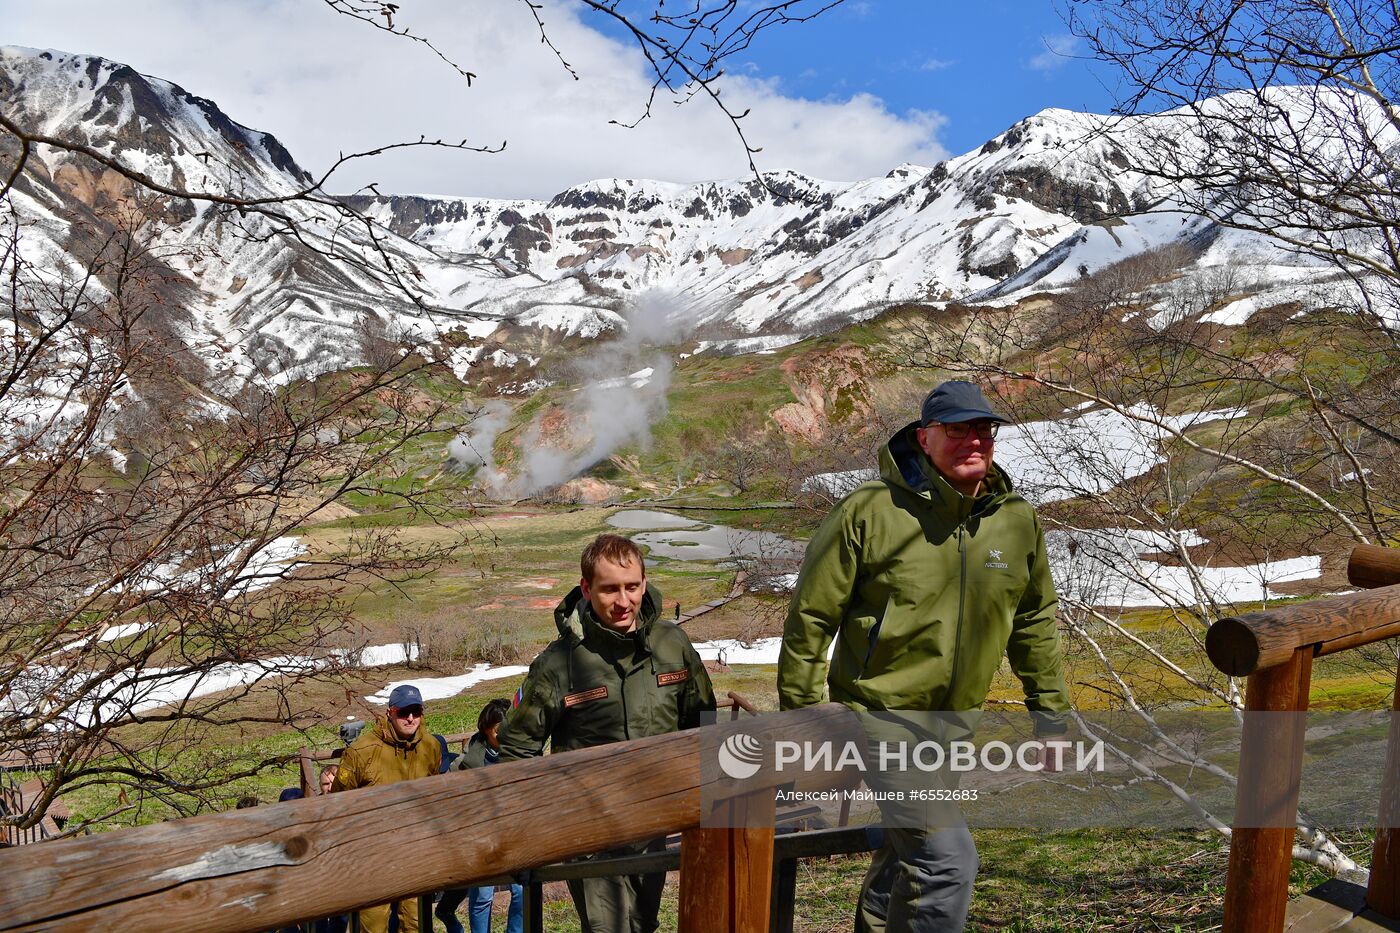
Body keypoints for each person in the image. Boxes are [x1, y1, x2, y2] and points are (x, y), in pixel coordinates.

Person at [778, 380, 1070, 933]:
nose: (974, 441)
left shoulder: (1014, 519)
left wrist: (1050, 718)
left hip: (952, 730)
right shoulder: (870, 511)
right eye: (957, 429)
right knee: (946, 863)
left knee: (902, 863)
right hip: (879, 722)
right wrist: (807, 724)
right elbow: (812, 620)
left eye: (983, 430)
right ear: (923, 437)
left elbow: (1033, 620)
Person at [497, 533, 717, 933]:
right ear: (586, 588)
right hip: (589, 833)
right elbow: (517, 748)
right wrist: (533, 828)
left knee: (643, 924)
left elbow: (702, 725)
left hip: (654, 822)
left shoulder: (673, 645)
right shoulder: (558, 663)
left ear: (645, 583)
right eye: (609, 589)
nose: (623, 601)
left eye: (632, 587)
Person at [331, 684, 441, 933]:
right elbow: (338, 802)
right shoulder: (361, 752)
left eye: (416, 711)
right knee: (373, 926)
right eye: (404, 712)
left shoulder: (431, 747)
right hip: (374, 853)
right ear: (389, 712)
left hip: (416, 850)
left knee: (416, 924)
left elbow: (435, 791)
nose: (411, 718)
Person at [439, 698, 523, 933]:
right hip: (480, 835)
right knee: (484, 894)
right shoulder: (467, 761)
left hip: (513, 832)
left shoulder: (520, 752)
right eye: (498, 730)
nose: (503, 734)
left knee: (521, 891)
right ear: (486, 729)